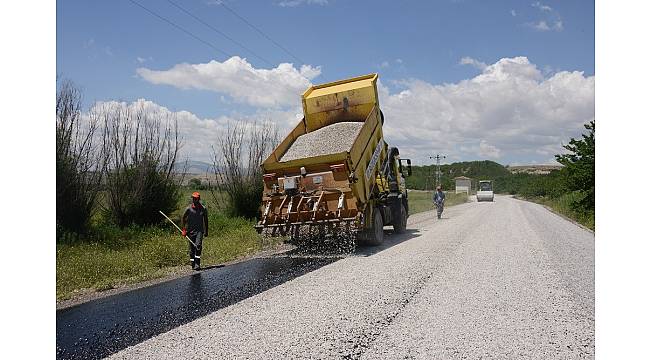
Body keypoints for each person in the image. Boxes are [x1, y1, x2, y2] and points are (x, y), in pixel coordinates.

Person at [181, 192, 209, 270]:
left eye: (196, 198)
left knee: (198, 245)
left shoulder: (203, 209)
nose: (194, 200)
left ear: (199, 199)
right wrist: (183, 230)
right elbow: (183, 218)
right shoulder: (188, 209)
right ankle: (192, 263)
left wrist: (206, 231)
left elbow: (206, 220)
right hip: (190, 231)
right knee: (191, 249)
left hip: (199, 231)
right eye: (193, 198)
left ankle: (197, 263)